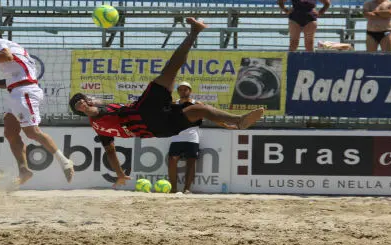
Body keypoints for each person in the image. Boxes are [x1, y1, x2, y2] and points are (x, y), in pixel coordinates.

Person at [68, 18, 265, 188]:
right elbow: (109, 150)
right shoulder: (97, 121)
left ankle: (238, 120)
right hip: (144, 115)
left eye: (84, 100)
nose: (85, 102)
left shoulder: (101, 115)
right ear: (82, 109)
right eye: (81, 104)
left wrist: (120, 174)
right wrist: (119, 173)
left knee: (199, 108)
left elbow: (108, 144)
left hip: (159, 128)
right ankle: (195, 31)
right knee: (170, 71)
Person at [0, 28, 74, 185]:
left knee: (32, 132)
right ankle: (24, 171)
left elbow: (6, 56)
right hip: (17, 91)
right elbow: (10, 82)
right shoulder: (15, 53)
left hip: (24, 92)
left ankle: (64, 161)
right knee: (10, 132)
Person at [167, 81, 236, 194]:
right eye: (180, 89)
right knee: (172, 161)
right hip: (177, 137)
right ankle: (173, 189)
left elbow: (212, 117)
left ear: (190, 91)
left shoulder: (197, 104)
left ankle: (187, 189)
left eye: (185, 89)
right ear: (178, 91)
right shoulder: (174, 104)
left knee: (191, 162)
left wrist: (226, 125)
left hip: (192, 138)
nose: (183, 91)